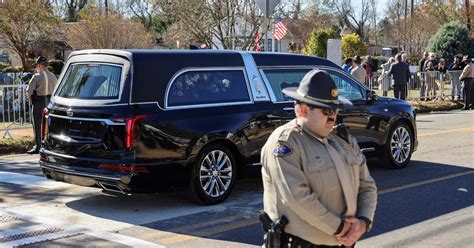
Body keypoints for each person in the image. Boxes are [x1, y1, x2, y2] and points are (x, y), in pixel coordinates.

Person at [261, 70, 377, 247]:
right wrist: (340, 228)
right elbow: (296, 198)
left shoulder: (343, 139)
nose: (333, 116)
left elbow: (367, 185)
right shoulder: (286, 143)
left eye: (336, 110)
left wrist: (363, 222)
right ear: (303, 110)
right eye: (326, 110)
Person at [26, 56, 58, 154]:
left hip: (39, 101)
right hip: (50, 102)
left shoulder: (37, 76)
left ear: (39, 65)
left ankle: (38, 147)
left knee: (37, 124)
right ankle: (49, 145)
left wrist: (32, 100)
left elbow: (29, 91)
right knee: (49, 125)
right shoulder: (53, 76)